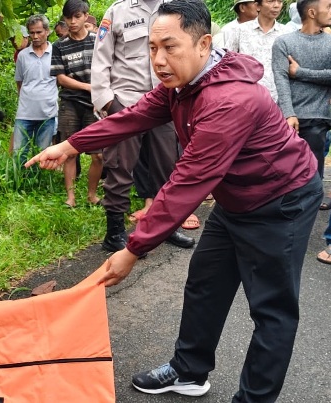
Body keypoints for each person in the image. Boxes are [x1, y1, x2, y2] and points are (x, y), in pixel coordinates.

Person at [26, 0, 321, 400]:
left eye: (169, 47)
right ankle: (189, 370)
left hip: (280, 201)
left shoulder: (228, 101)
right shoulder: (184, 85)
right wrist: (71, 144)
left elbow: (187, 183)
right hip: (236, 200)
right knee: (205, 283)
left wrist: (133, 248)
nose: (158, 60)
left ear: (203, 44)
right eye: (152, 48)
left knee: (271, 310)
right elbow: (132, 116)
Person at [90, 0, 195, 251]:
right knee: (119, 169)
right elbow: (100, 60)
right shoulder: (117, 11)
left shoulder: (174, 9)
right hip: (126, 102)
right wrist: (108, 104)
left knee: (168, 167)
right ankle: (114, 232)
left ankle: (166, 228)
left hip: (164, 102)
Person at [50, 0, 102, 207]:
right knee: (69, 151)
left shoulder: (98, 40)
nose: (72, 22)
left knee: (98, 155)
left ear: (86, 16)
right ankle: (70, 198)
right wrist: (87, 87)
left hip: (95, 104)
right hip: (70, 102)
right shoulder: (59, 45)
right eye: (68, 17)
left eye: (77, 17)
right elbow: (60, 78)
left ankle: (92, 195)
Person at [273, 0, 331, 182]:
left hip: (318, 119)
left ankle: (310, 210)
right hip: (287, 119)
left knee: (313, 174)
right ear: (312, 13)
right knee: (284, 174)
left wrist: (299, 72)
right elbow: (281, 78)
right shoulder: (283, 42)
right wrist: (289, 113)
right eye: (328, 6)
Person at [12, 14, 57, 164]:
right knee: (19, 153)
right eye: (32, 33)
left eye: (39, 32)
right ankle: (18, 182)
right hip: (25, 113)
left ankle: (38, 183)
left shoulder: (56, 53)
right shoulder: (23, 56)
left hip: (48, 113)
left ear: (47, 31)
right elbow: (20, 83)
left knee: (42, 154)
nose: (35, 36)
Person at [226, 0, 288, 102]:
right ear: (258, 6)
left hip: (278, 100)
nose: (277, 5)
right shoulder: (239, 31)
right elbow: (227, 63)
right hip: (245, 99)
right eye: (270, 1)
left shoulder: (286, 33)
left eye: (280, 1)